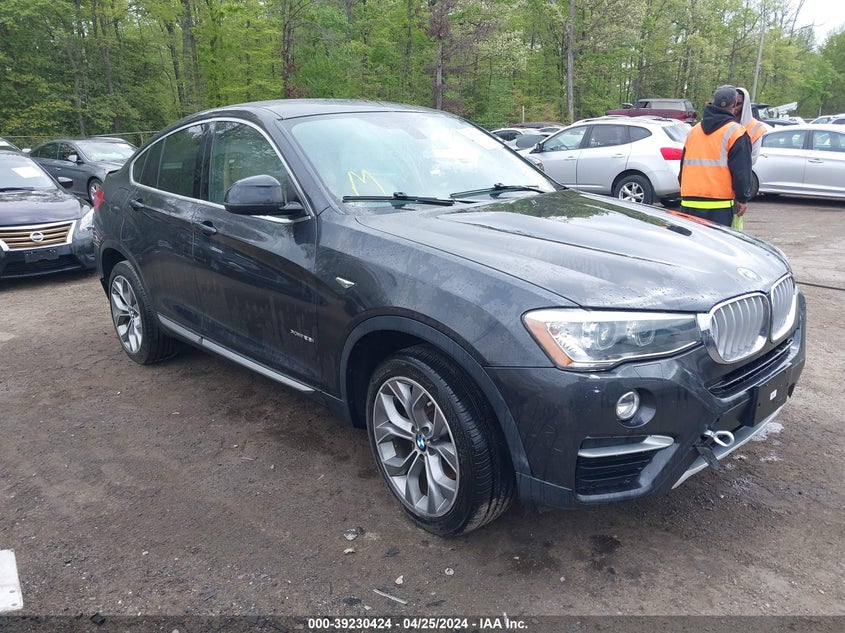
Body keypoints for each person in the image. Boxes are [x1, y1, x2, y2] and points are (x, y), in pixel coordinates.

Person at [678, 85, 752, 227]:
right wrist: (742, 198)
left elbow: (683, 167)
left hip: (689, 201)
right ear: (734, 104)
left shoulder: (694, 131)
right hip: (719, 204)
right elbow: (741, 171)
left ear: (713, 103)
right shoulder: (736, 132)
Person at [735, 87, 770, 164]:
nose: (735, 107)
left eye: (738, 104)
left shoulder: (756, 127)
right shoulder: (723, 123)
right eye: (733, 103)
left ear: (745, 105)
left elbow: (753, 158)